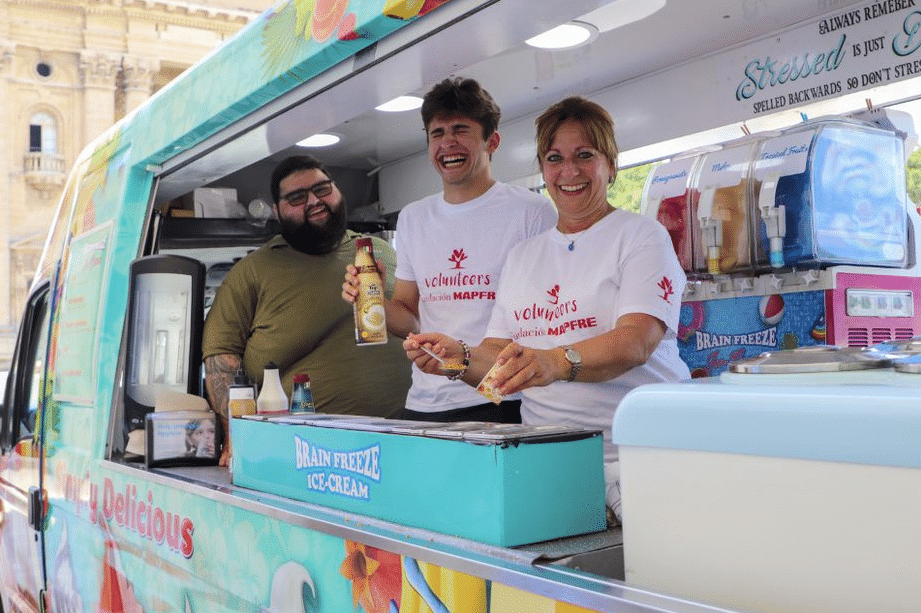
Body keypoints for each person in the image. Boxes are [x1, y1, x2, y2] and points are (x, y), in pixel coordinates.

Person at [404, 97, 691, 523]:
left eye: (584, 156)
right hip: (552, 462)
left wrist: (555, 362)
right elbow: (498, 366)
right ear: (543, 170)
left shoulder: (641, 237)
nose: (569, 171)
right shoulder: (524, 257)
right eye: (554, 158)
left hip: (642, 455)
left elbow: (637, 341)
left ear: (611, 165)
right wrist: (457, 359)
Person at [342, 77, 557, 423]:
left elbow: (547, 318)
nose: (448, 143)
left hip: (502, 397)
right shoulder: (414, 218)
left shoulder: (532, 211)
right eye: (437, 133)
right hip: (427, 402)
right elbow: (410, 316)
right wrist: (374, 301)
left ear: (493, 141)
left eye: (461, 130)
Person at [203, 155, 411, 466]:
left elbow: (415, 321)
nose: (314, 201)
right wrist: (235, 437)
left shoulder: (379, 252)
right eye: (297, 197)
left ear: (337, 191)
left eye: (322, 189)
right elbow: (222, 362)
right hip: (303, 457)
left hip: (406, 439)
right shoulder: (252, 272)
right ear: (277, 210)